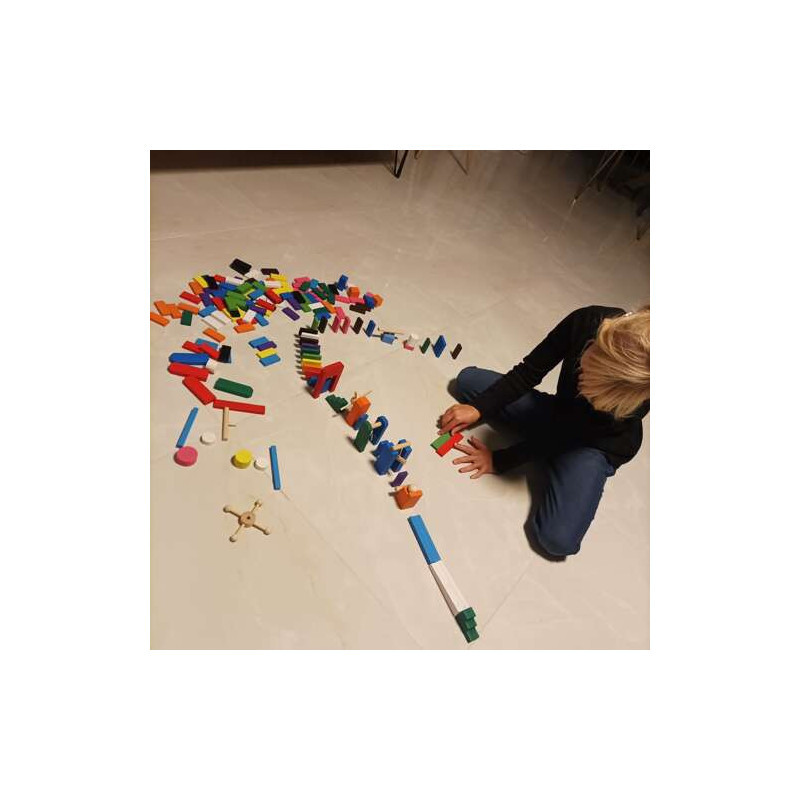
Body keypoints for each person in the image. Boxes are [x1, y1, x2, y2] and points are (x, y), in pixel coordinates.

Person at [438, 305, 649, 559]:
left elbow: (569, 436)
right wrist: (478, 408)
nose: (582, 384)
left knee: (557, 540)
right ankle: (552, 459)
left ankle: (573, 469)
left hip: (592, 445)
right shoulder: (588, 320)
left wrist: (500, 460)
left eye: (595, 391)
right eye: (585, 373)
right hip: (560, 414)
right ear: (594, 342)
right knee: (468, 381)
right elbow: (528, 372)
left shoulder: (638, 396)